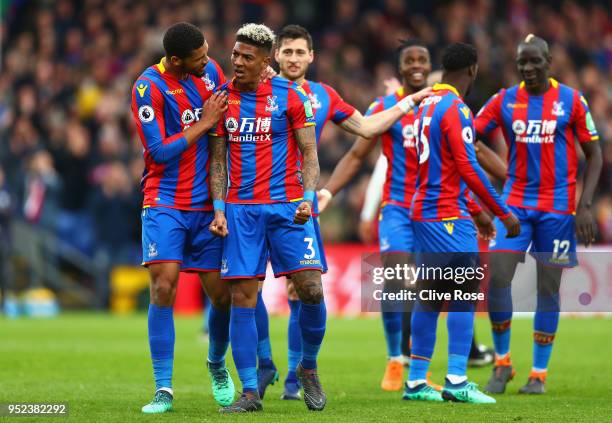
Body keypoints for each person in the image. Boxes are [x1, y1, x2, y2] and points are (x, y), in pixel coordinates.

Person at [254, 25, 431, 401]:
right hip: (250, 202)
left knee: (300, 291)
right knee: (246, 287)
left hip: (297, 203)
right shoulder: (257, 88)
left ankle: (293, 378)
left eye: (301, 52)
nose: (294, 59)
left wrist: (405, 104)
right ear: (276, 55)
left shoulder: (323, 96)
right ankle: (263, 360)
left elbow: (365, 129)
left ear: (312, 56)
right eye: (287, 52)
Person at [318, 40, 503, 392]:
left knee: (443, 286)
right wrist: (330, 190)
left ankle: (424, 369)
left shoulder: (442, 105)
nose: (417, 64)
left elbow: (465, 158)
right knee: (398, 276)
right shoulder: (388, 107)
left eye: (423, 59)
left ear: (431, 65)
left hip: (440, 210)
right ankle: (396, 360)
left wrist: (482, 202)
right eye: (409, 60)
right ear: (400, 69)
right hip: (399, 208)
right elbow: (358, 155)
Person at [208, 23, 327, 413]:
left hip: (289, 207)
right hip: (241, 212)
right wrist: (219, 210)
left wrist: (308, 198)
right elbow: (219, 160)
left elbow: (309, 153)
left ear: (265, 61)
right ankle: (249, 391)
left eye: (247, 57)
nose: (237, 62)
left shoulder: (291, 96)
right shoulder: (221, 99)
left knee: (311, 289)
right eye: (235, 55)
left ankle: (307, 368)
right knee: (242, 296)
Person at [475, 34, 602, 395]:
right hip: (514, 204)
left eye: (535, 62)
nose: (528, 69)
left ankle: (538, 374)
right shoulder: (504, 100)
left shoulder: (571, 101)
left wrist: (586, 205)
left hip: (558, 210)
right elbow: (469, 136)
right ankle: (502, 364)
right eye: (522, 63)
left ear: (549, 62)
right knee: (497, 277)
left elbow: (594, 155)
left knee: (548, 288)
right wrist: (500, 172)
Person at [404, 42, 520, 404]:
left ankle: (416, 382)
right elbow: (468, 168)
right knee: (463, 294)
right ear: (472, 70)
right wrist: (502, 212)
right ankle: (456, 380)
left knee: (429, 297)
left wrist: (476, 209)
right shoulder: (456, 108)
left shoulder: (426, 105)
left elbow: (444, 169)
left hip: (426, 210)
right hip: (446, 217)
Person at [131, 22, 233, 414]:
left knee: (221, 295)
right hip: (165, 201)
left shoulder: (211, 74)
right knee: (164, 288)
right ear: (176, 61)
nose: (208, 62)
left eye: (207, 54)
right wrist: (202, 123)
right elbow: (157, 152)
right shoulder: (148, 87)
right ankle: (163, 388)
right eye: (199, 58)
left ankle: (216, 364)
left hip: (208, 204)